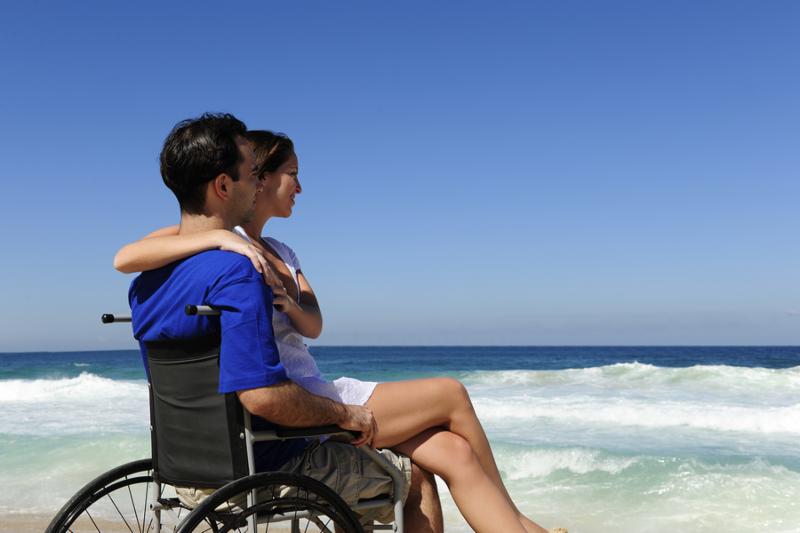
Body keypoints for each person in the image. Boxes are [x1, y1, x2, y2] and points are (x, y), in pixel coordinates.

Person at [118, 128, 555, 533]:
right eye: (254, 173)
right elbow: (262, 395)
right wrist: (345, 415)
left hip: (190, 463)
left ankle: (516, 525)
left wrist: (229, 247)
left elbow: (130, 259)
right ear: (225, 186)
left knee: (453, 452)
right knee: (417, 473)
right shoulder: (237, 268)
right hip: (269, 455)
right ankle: (516, 520)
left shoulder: (149, 282)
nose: (259, 184)